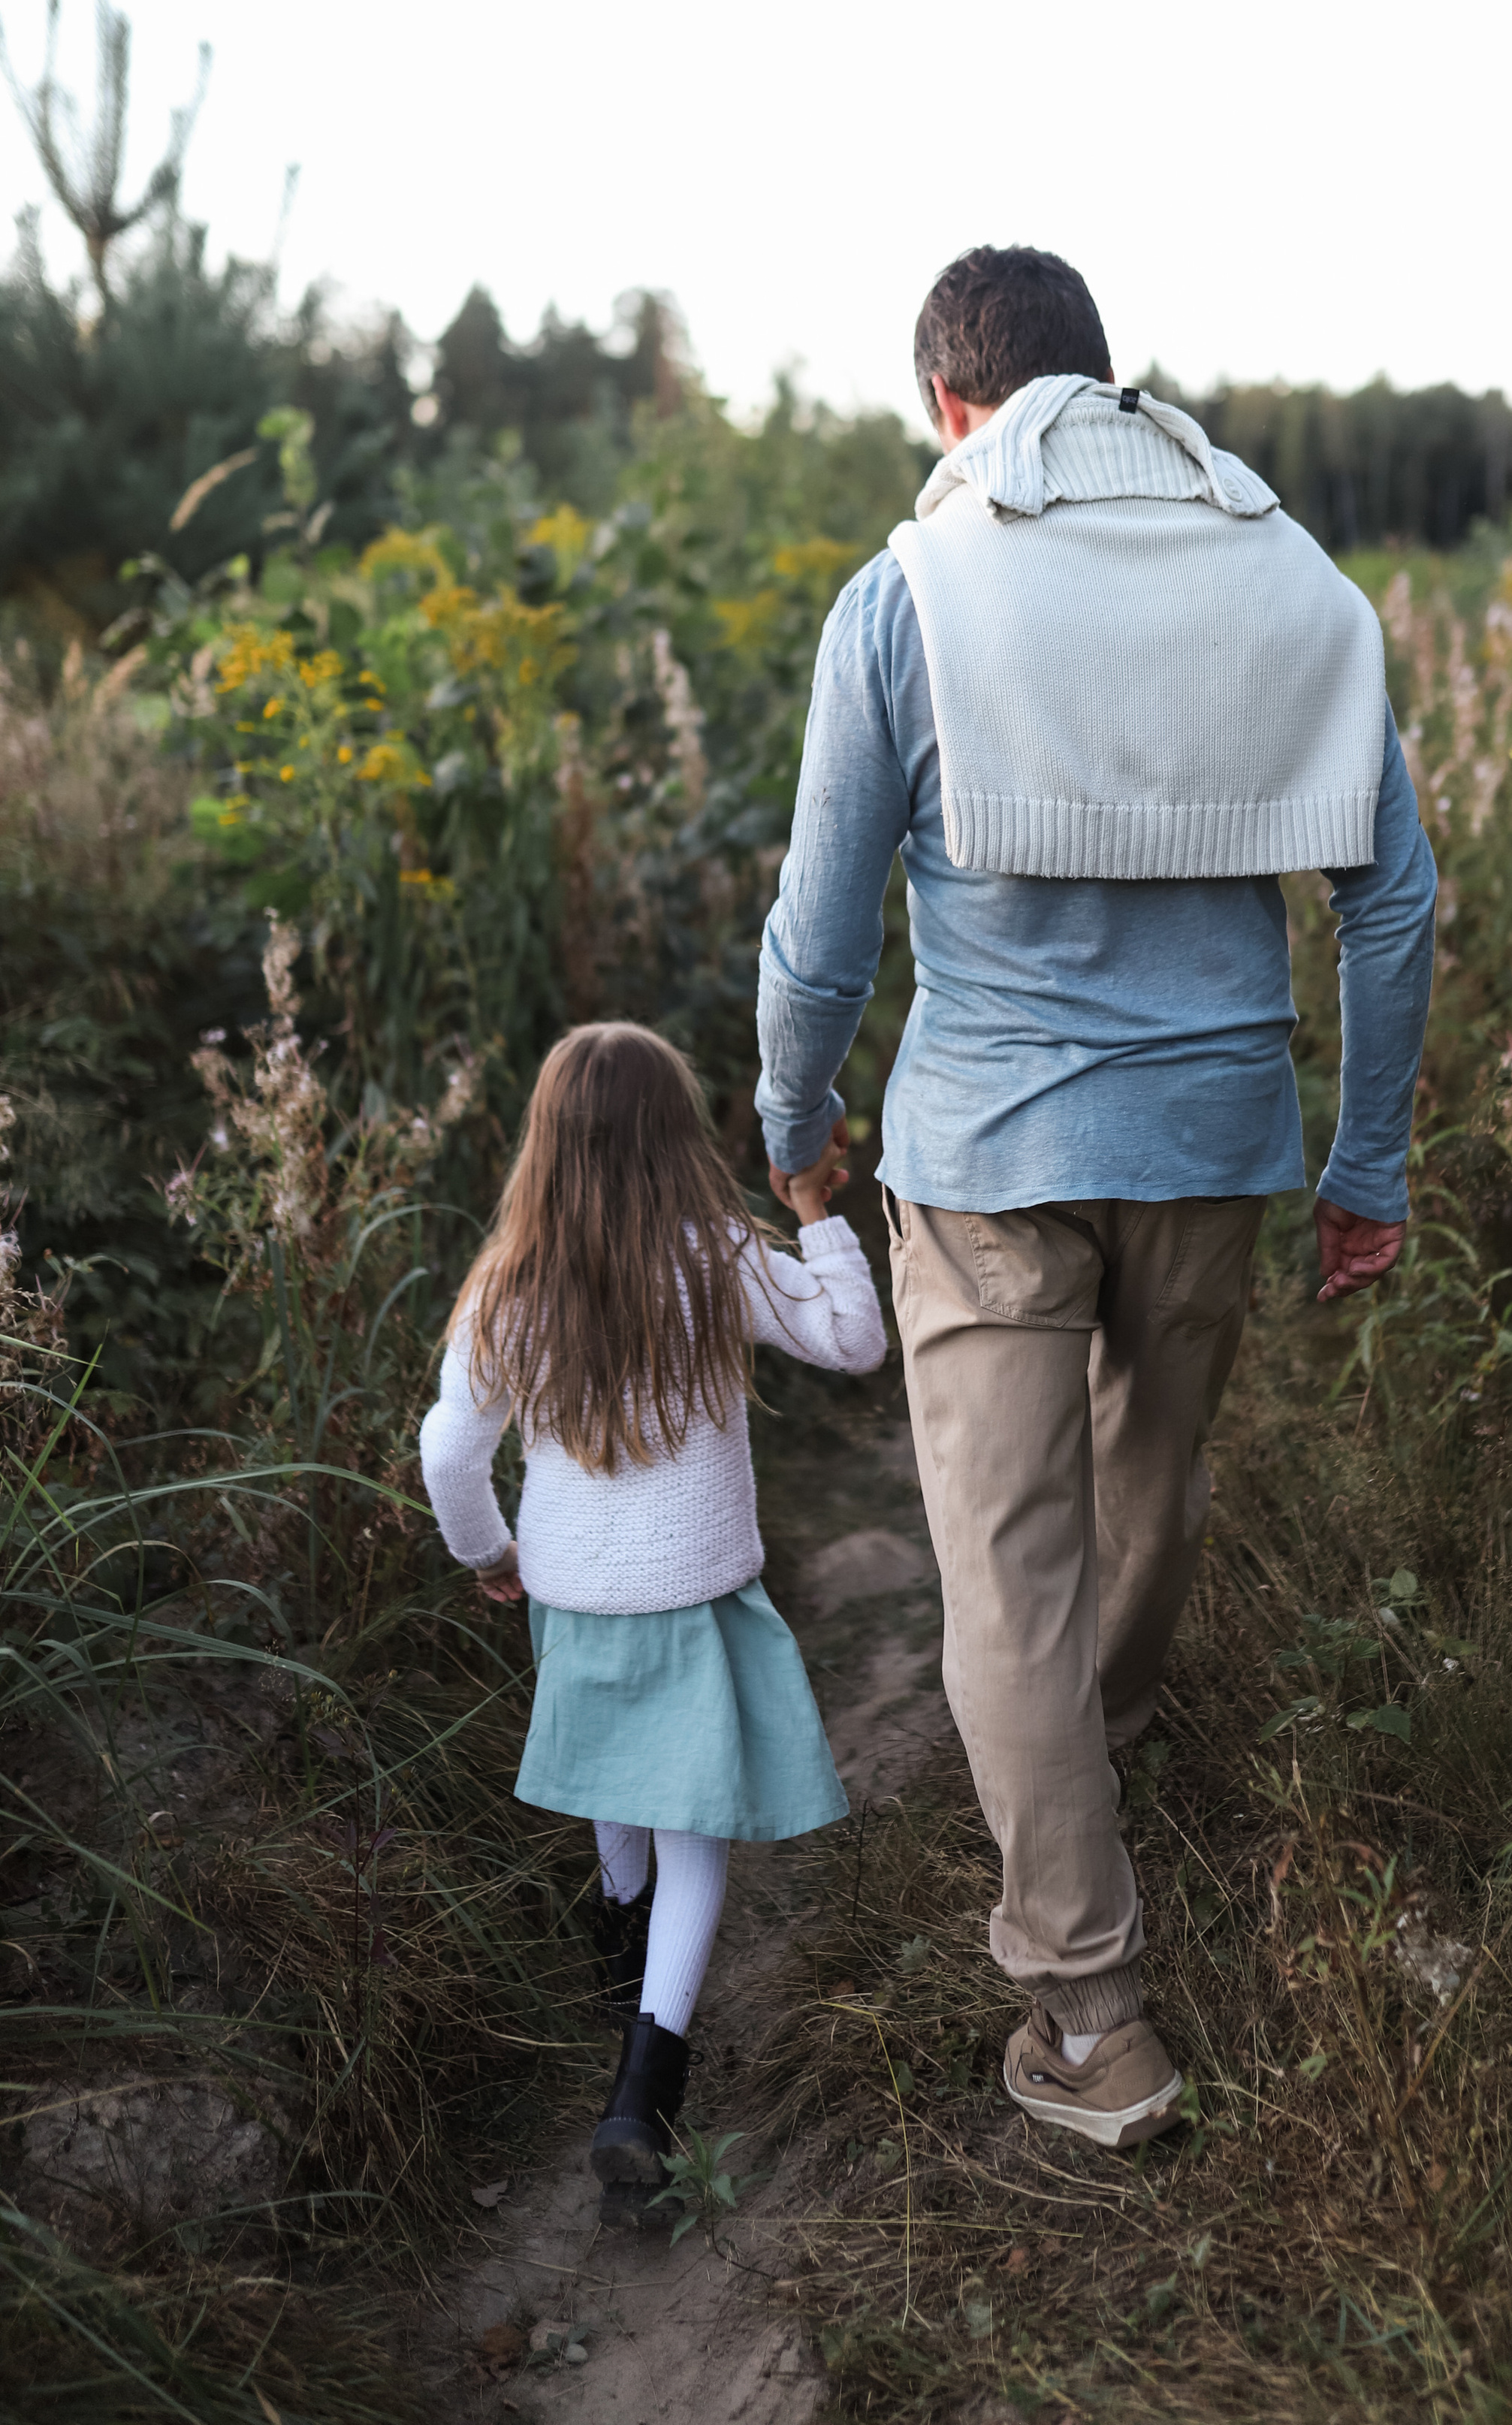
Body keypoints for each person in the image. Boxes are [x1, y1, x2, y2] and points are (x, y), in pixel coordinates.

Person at [756, 245, 1435, 2153]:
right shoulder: (1280, 580)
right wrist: (1360, 1165)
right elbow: (1390, 897)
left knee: (1003, 1566)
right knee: (1148, 1488)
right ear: (1098, 383)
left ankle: (1086, 2014)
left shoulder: (908, 596)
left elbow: (816, 941)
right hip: (1214, 1146)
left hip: (984, 1157)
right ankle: (1090, 1752)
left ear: (954, 413)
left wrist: (790, 1118)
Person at [418, 1019, 883, 2214]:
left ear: (546, 1145)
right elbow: (854, 1341)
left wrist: (487, 1554)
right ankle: (645, 2087)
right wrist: (819, 1214)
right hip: (693, 1588)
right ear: (677, 1135)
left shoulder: (508, 1285)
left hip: (571, 1589)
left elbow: (448, 1450)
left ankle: (620, 1969)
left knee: (617, 1791)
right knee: (696, 1837)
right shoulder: (719, 1253)